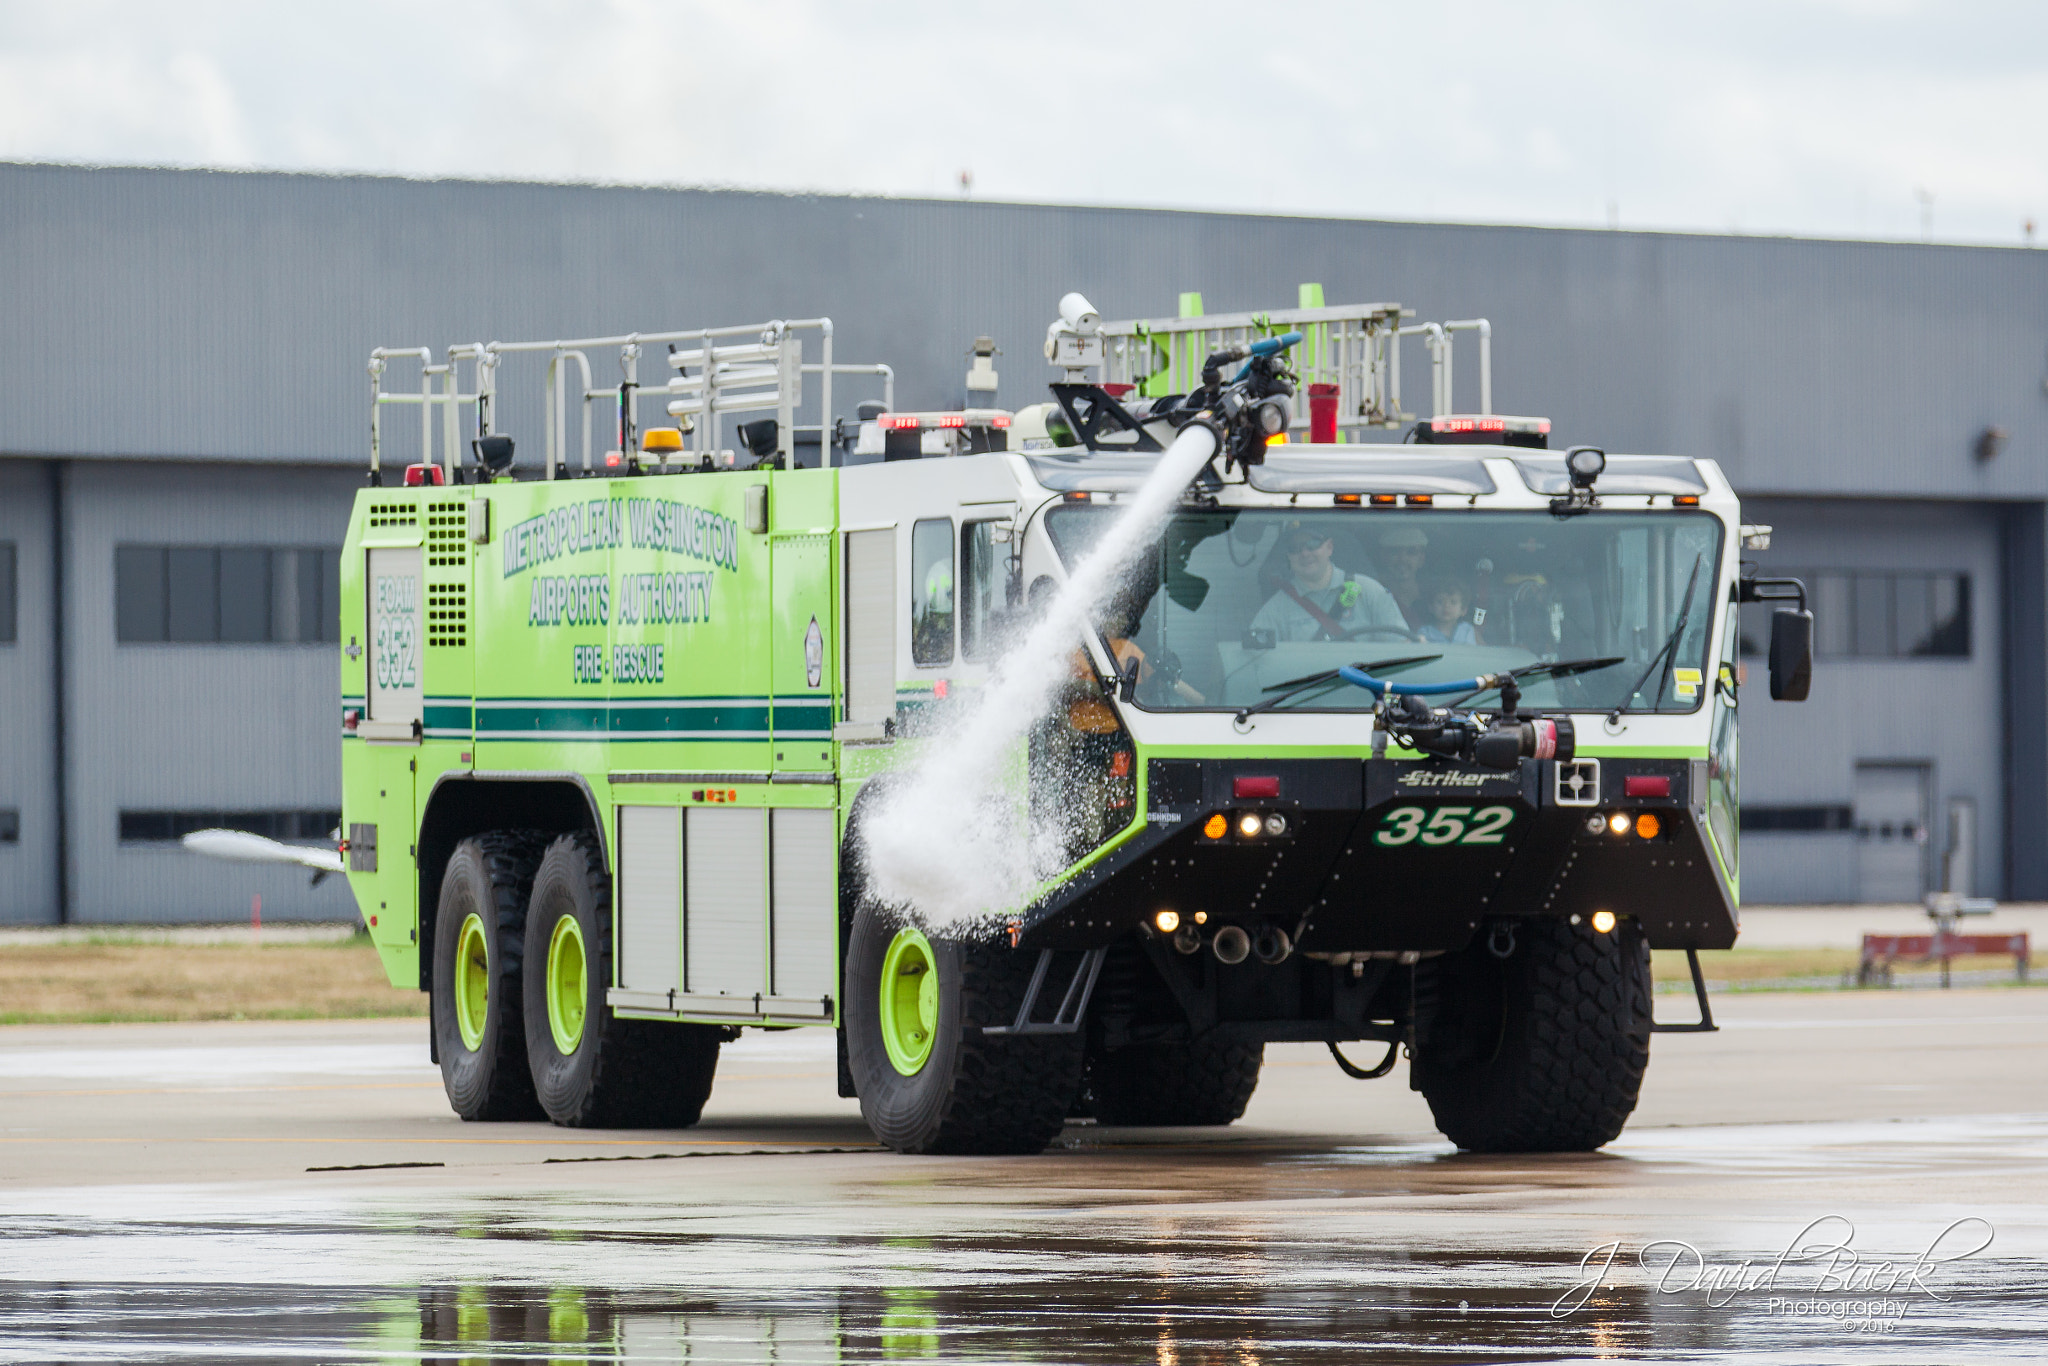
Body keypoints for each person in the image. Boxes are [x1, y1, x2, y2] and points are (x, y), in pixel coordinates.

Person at [1249, 522, 1409, 643]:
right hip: (1306, 687)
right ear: (1289, 556)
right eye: (1295, 548)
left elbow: (1401, 649)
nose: (1304, 553)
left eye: (1312, 545)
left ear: (1329, 547)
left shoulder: (1370, 591)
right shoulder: (1276, 608)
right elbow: (1256, 662)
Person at [1375, 525, 1430, 625]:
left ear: (1421, 559)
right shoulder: (1373, 594)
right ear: (1383, 556)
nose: (1402, 559)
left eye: (1411, 552)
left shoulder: (1433, 598)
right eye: (1394, 552)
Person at [1416, 578, 1479, 644]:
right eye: (1440, 601)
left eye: (1453, 602)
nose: (1446, 606)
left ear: (1463, 610)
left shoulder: (1467, 630)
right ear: (1431, 607)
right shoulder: (1425, 632)